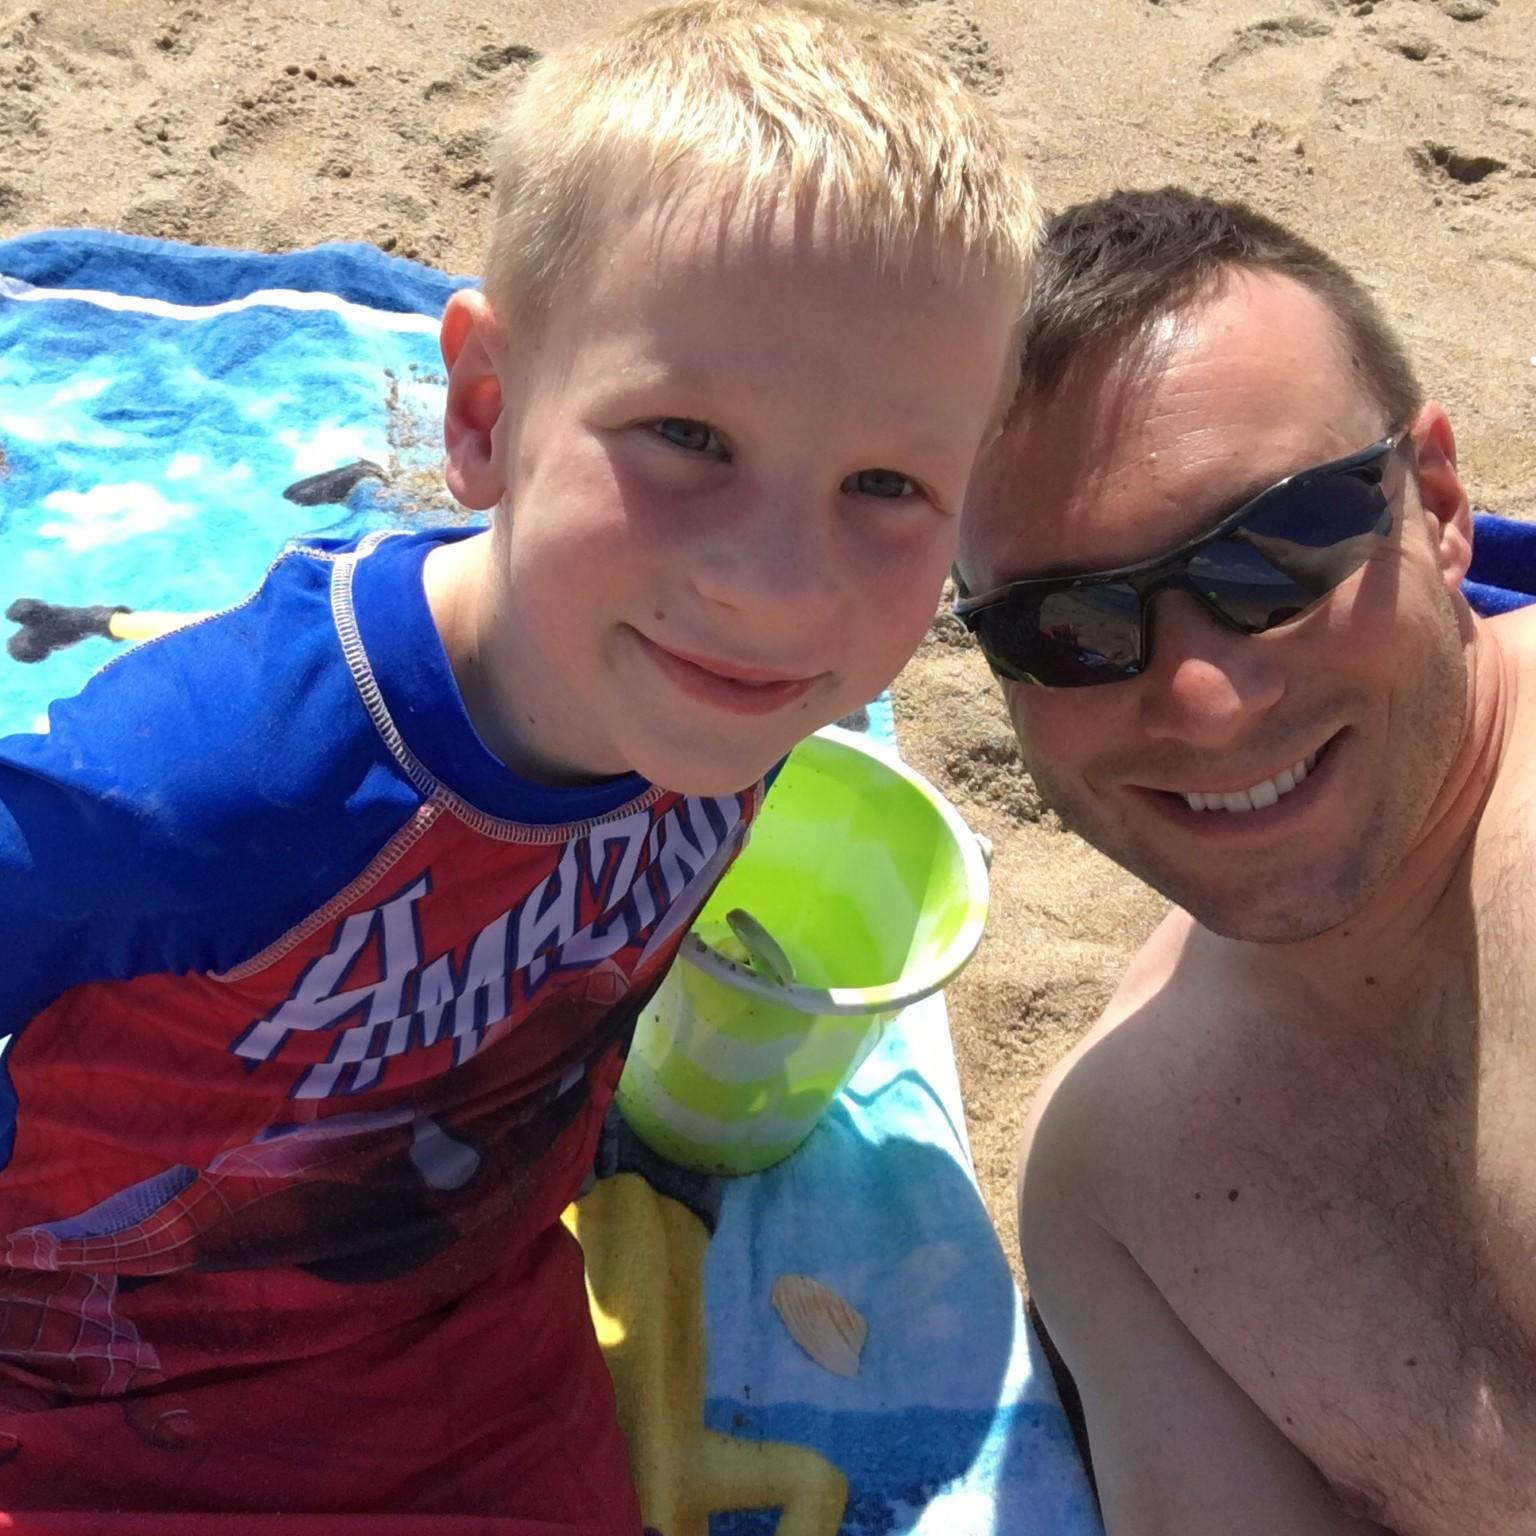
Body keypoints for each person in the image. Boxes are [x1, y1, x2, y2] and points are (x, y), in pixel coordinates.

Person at [0, 4, 1038, 1527]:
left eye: (886, 483)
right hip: (85, 1388)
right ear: (486, 414)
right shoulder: (231, 769)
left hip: (465, 1332)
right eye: (688, 436)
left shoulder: (731, 705)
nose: (777, 585)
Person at [955, 186, 1535, 1536]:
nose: (1206, 702)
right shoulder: (1112, 1189)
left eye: (1278, 552)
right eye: (1067, 627)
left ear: (1438, 501)